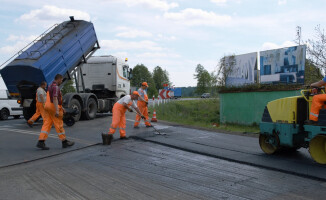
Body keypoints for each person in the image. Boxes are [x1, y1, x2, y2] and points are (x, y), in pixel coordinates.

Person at [36, 74, 74, 150]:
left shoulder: (50, 86)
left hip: (47, 106)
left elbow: (50, 98)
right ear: (59, 79)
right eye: (62, 80)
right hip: (53, 107)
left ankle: (41, 141)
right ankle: (64, 142)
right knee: (59, 123)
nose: (62, 81)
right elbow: (55, 98)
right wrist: (57, 110)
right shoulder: (56, 87)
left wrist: (61, 107)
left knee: (47, 123)